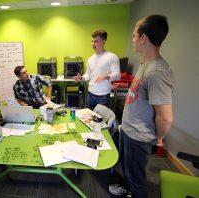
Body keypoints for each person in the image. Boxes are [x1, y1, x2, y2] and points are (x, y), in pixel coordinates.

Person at [109, 15, 174, 198]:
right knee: (128, 169)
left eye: (134, 36)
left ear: (143, 38)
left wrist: (158, 138)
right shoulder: (145, 64)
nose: (133, 39)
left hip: (139, 136)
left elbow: (166, 117)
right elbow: (139, 94)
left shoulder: (156, 71)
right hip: (129, 130)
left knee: (137, 179)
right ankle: (127, 189)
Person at [74, 29, 120, 110]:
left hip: (103, 96)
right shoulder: (90, 59)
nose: (93, 44)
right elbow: (88, 75)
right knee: (89, 119)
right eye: (92, 41)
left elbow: (117, 75)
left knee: (101, 120)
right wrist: (81, 78)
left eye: (96, 41)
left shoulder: (112, 57)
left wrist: (107, 76)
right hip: (90, 94)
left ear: (103, 41)